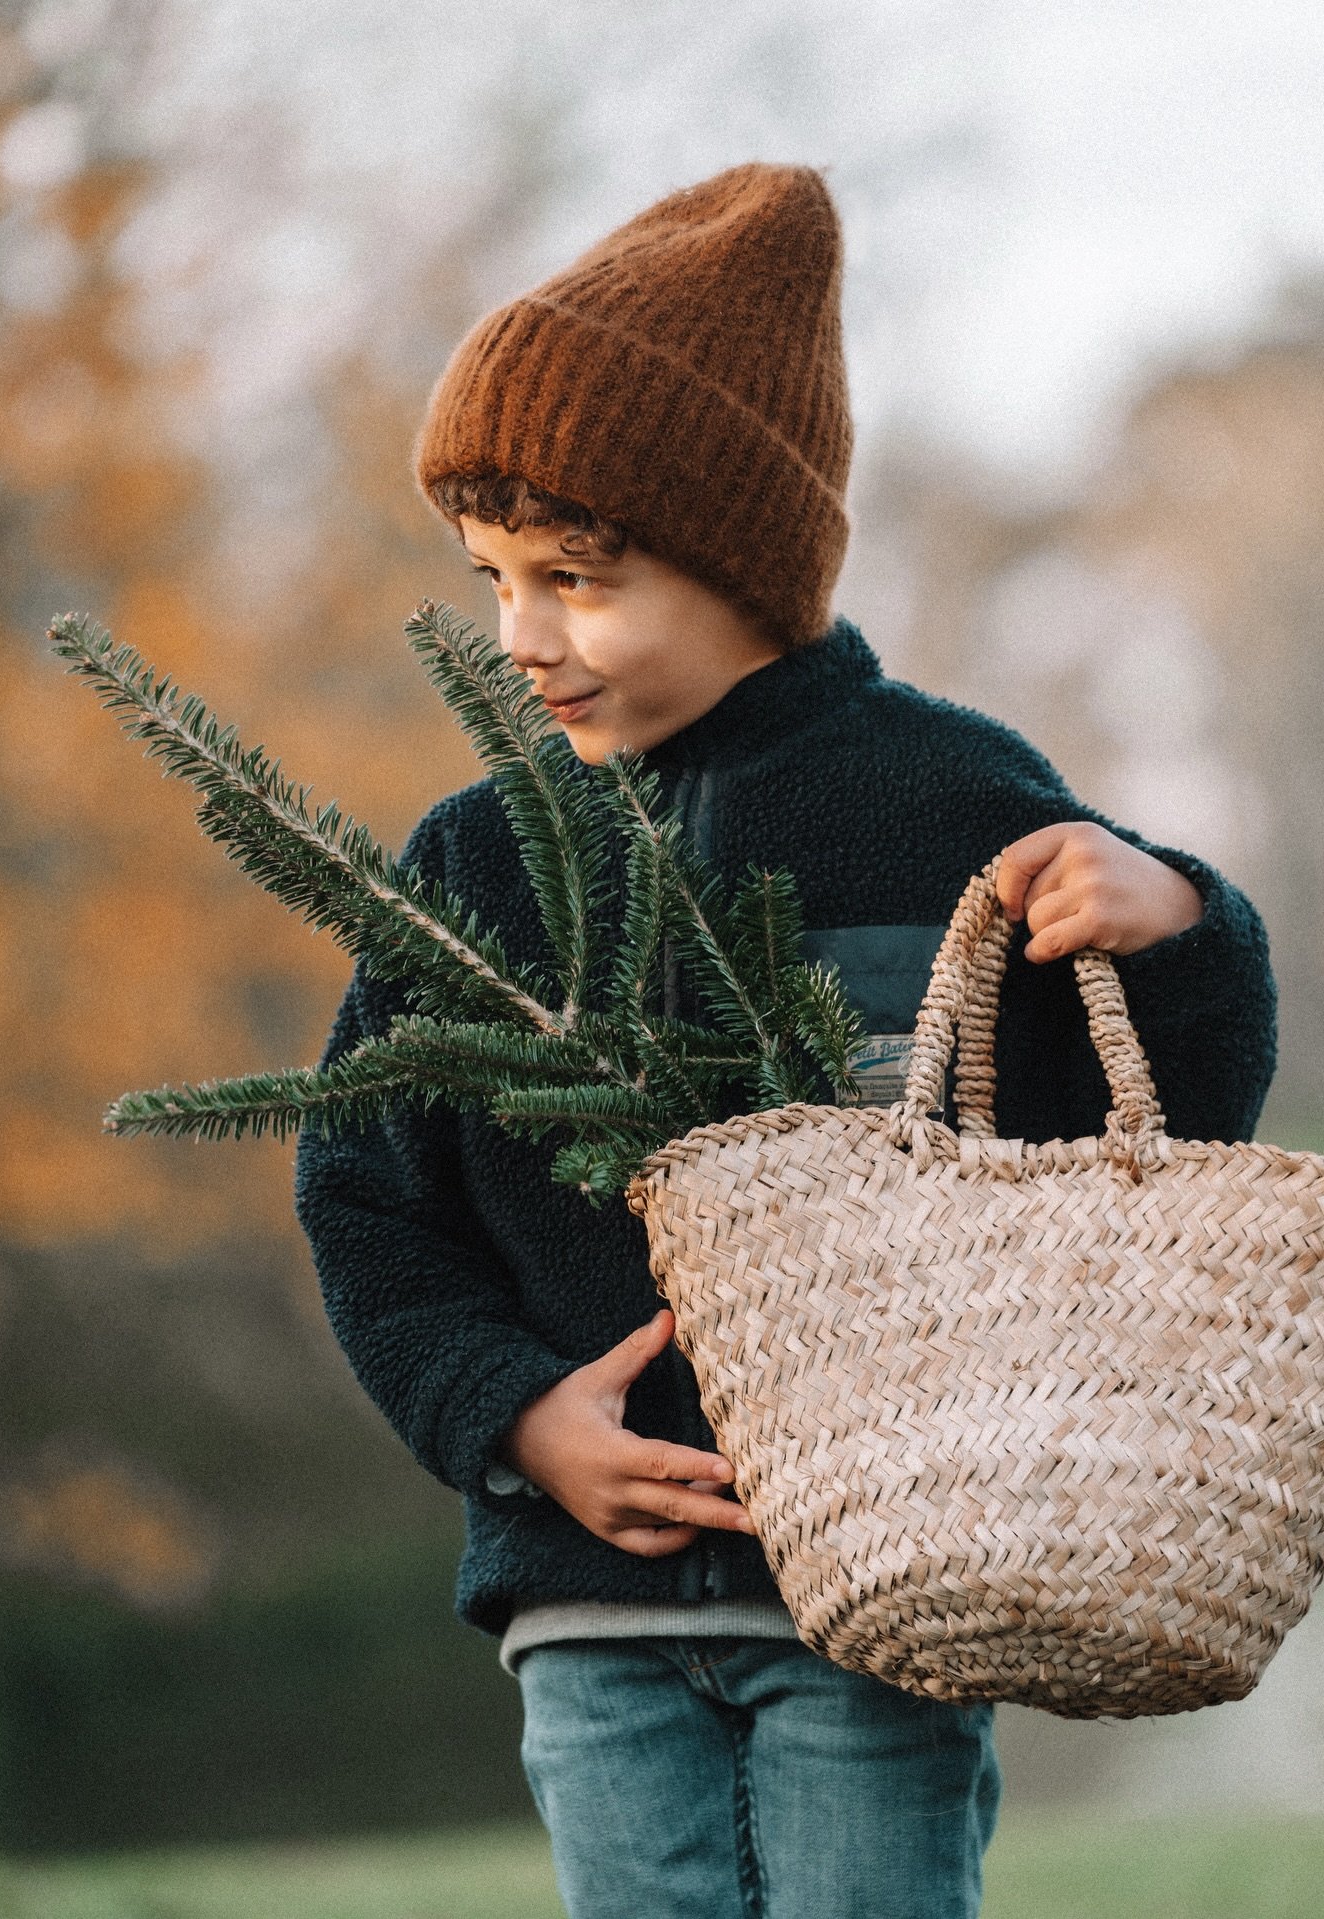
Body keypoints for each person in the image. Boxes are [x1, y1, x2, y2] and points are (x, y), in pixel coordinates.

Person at [294, 163, 1277, 1919]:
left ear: (739, 555)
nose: (522, 638)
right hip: (585, 1587)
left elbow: (1144, 1144)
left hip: (882, 1591)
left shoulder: (951, 801)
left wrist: (1177, 922)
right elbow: (370, 1198)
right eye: (494, 578)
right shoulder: (475, 863)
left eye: (578, 580)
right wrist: (514, 1420)